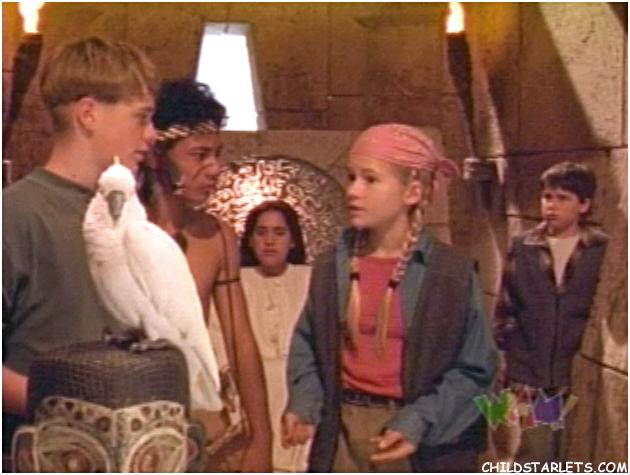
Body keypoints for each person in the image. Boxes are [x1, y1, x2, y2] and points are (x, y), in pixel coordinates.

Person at [282, 123, 497, 472]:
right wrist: (304, 402)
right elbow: (308, 343)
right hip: (343, 433)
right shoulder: (332, 266)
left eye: (370, 179)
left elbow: (475, 368)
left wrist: (420, 419)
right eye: (351, 177)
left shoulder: (449, 274)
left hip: (420, 440)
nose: (353, 191)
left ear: (412, 192)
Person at [2, 36, 157, 464]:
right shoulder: (16, 215)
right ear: (88, 114)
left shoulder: (128, 217)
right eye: (141, 117)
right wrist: (71, 402)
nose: (151, 135)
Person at [142, 79, 272, 472]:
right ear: (158, 156)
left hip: (194, 414)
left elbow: (240, 341)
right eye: (199, 155)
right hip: (129, 409)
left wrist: (261, 438)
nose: (214, 169)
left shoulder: (216, 237)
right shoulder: (123, 231)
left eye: (217, 154)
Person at [493, 161, 608, 463]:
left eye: (562, 198)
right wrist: (505, 355)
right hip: (531, 370)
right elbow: (506, 305)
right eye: (547, 197)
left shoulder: (599, 249)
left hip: (574, 370)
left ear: (584, 205)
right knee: (537, 451)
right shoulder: (524, 246)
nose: (551, 205)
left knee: (567, 453)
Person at [239, 200, 313, 472]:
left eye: (279, 233)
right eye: (261, 233)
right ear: (250, 240)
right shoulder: (233, 282)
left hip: (299, 387)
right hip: (249, 390)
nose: (270, 241)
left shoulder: (312, 279)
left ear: (292, 240)